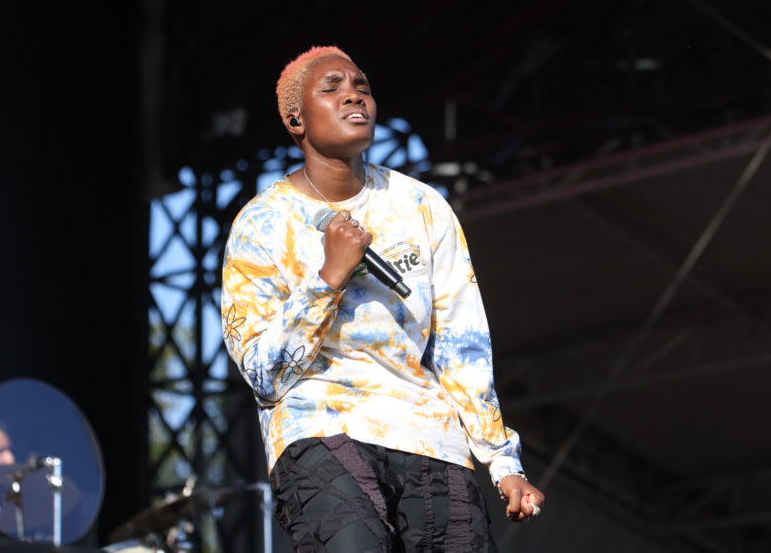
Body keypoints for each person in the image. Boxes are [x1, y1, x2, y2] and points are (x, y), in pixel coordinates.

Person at [220, 46, 544, 551]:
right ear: (295, 119)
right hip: (321, 428)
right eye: (332, 88)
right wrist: (328, 278)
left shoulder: (421, 205)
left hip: (430, 438)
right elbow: (264, 374)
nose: (354, 95)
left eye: (362, 87)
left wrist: (503, 462)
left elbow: (461, 345)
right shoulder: (262, 223)